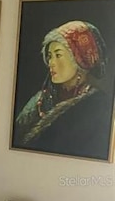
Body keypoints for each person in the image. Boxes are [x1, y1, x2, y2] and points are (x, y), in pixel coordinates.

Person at [13, 20, 111, 160]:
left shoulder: (97, 106)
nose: (51, 62)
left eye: (58, 55)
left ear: (79, 59)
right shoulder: (39, 102)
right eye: (50, 56)